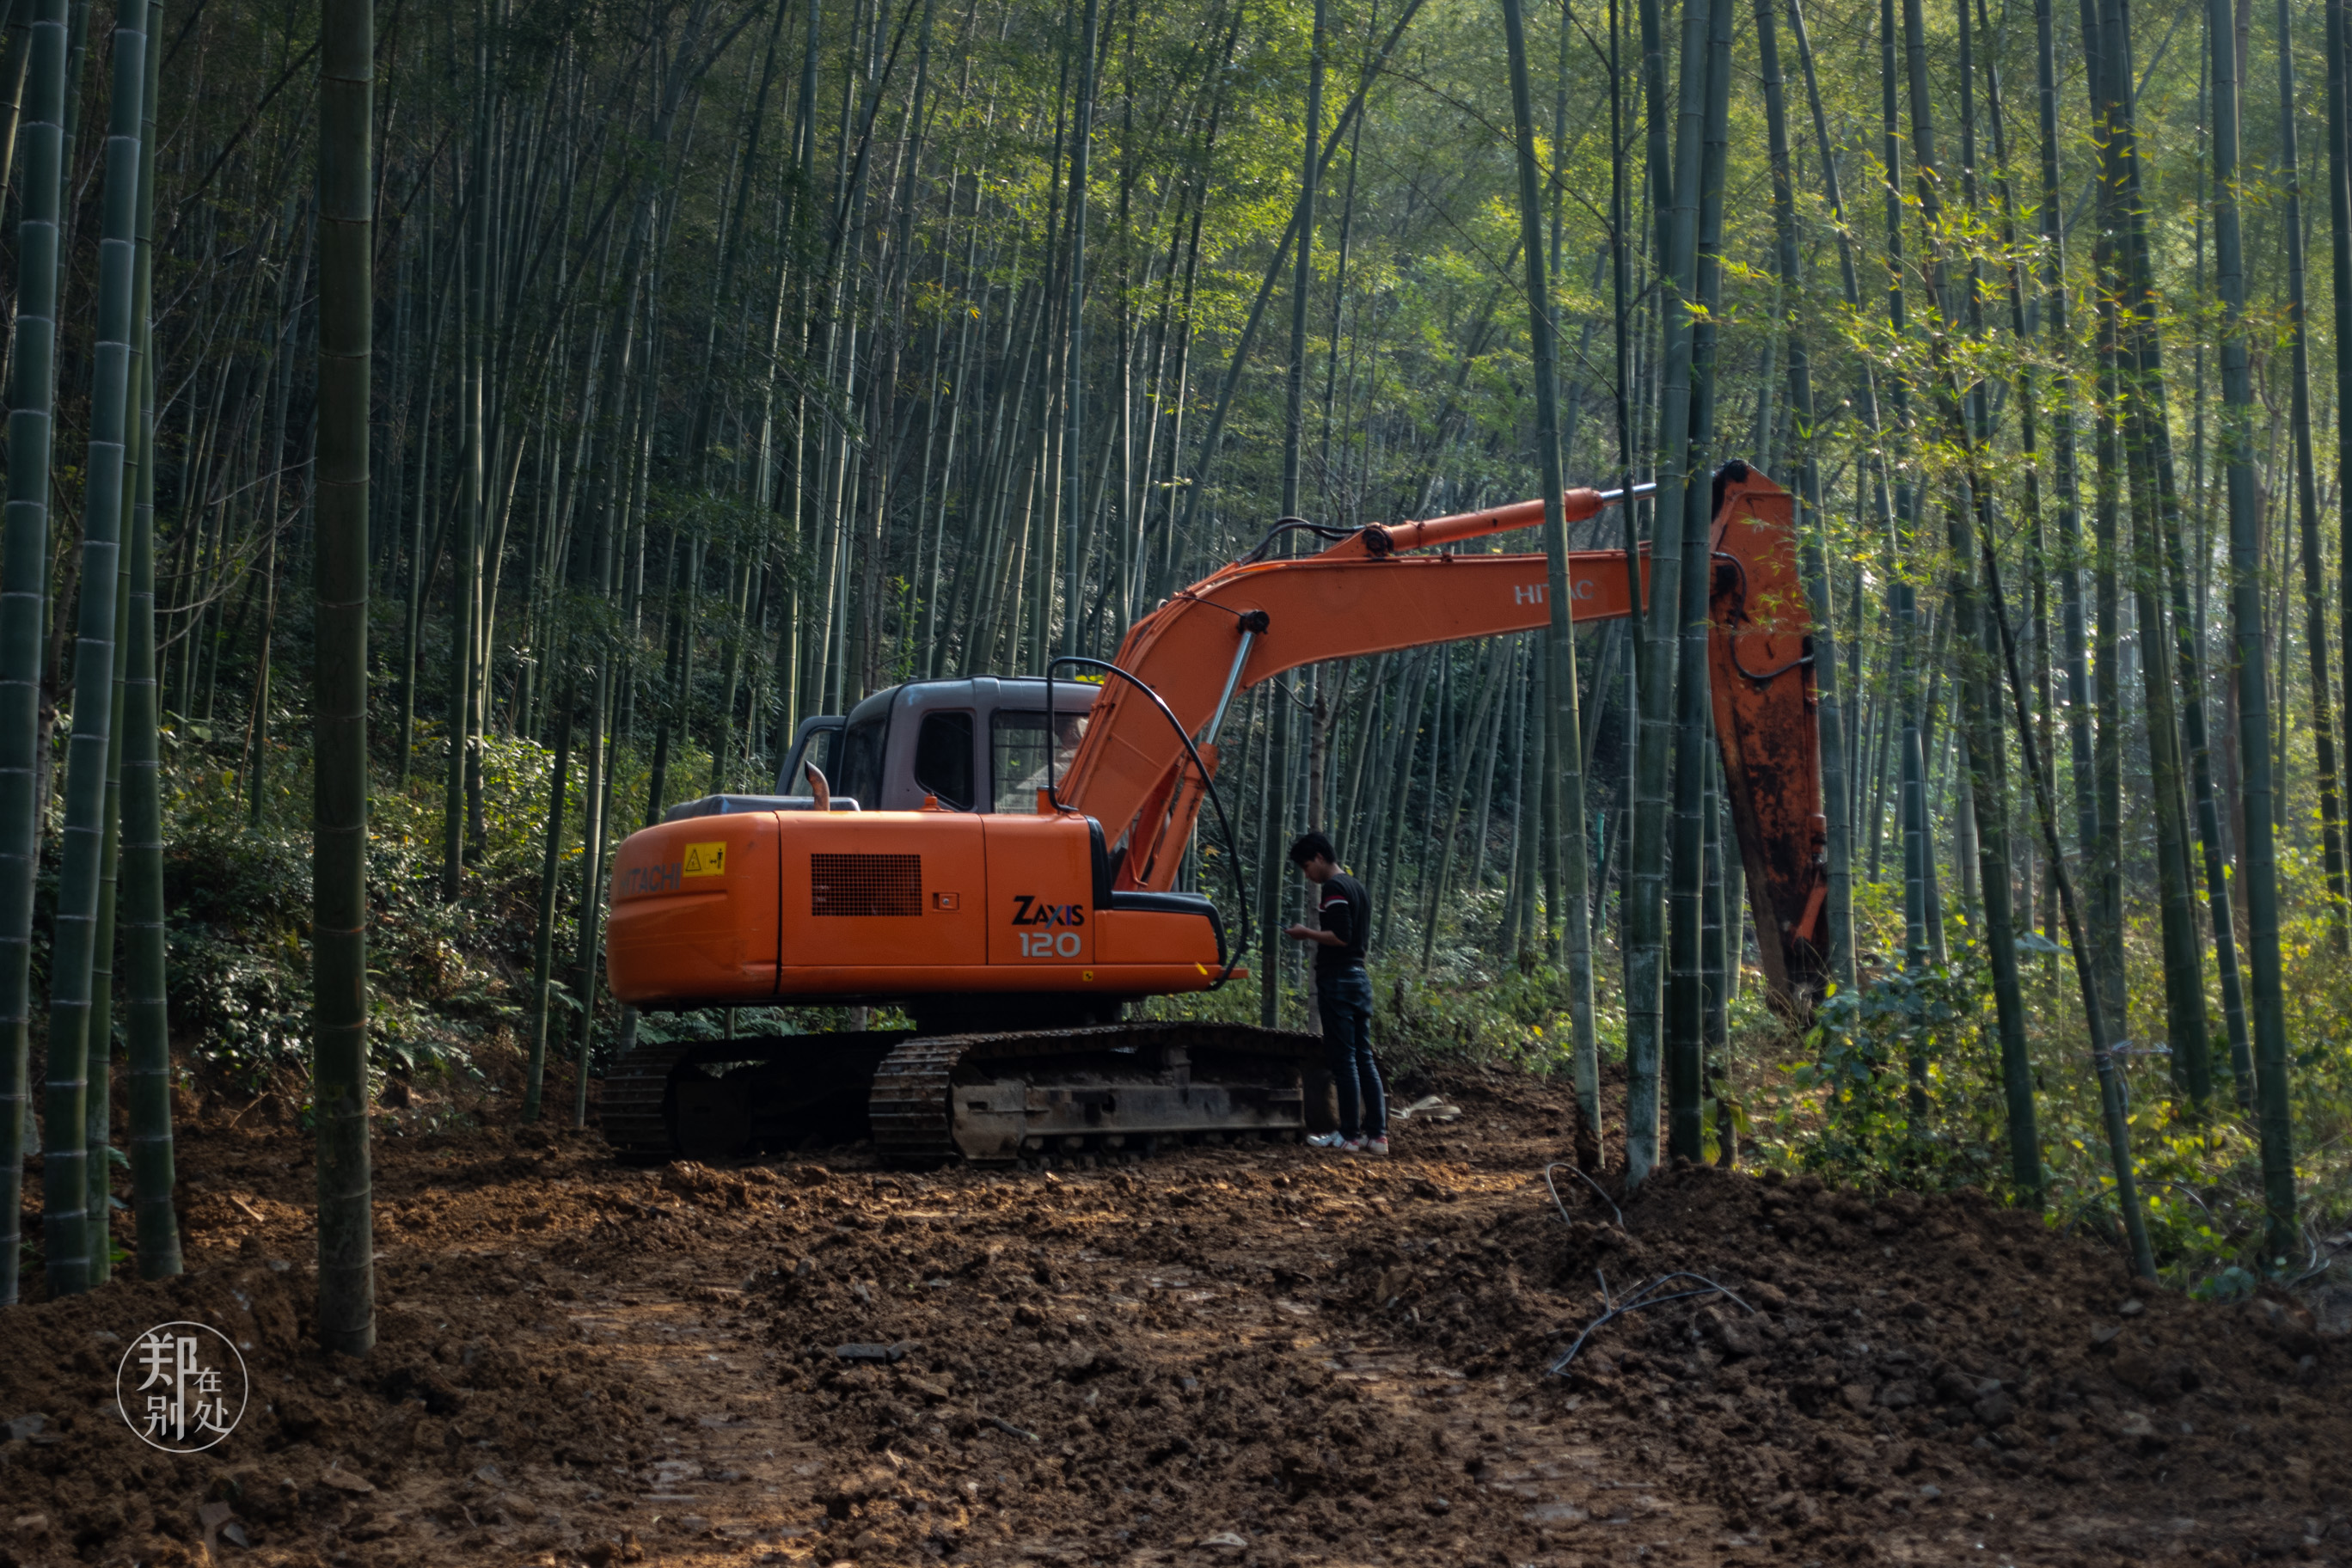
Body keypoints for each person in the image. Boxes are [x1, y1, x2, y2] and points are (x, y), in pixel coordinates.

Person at [1283, 830, 1386, 1155]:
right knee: (1363, 1057)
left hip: (1339, 980)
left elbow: (1341, 936)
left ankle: (1349, 1135)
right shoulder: (1357, 887)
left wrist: (1306, 933)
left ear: (1319, 858)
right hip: (1359, 978)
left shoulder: (1335, 888)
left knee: (1345, 1060)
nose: (1306, 875)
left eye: (1305, 866)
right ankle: (1377, 1135)